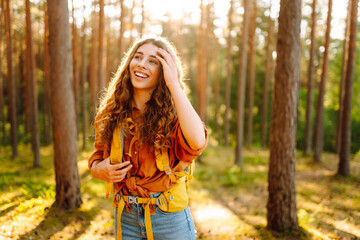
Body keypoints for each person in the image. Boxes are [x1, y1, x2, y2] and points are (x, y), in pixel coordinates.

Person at [88, 36, 208, 240]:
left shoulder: (177, 114)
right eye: (138, 57)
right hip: (125, 217)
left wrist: (173, 85)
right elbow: (98, 155)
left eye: (153, 61)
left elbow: (197, 142)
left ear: (165, 71)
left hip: (169, 219)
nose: (142, 64)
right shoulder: (111, 112)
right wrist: (98, 170)